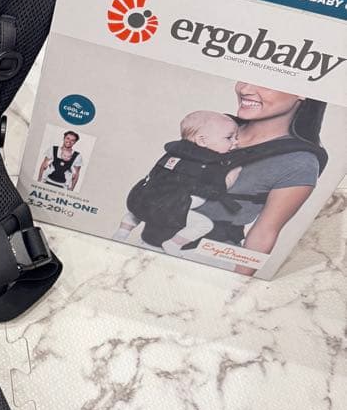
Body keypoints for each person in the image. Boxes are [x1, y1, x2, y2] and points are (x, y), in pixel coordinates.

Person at [180, 84, 327, 276]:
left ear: (303, 92)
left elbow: (265, 232)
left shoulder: (299, 161)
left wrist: (236, 283)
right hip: (150, 238)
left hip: (205, 259)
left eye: (266, 84)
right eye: (246, 79)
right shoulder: (213, 126)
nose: (245, 89)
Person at [113, 110, 239, 248]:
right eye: (229, 138)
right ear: (202, 140)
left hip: (142, 200)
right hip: (173, 208)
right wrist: (233, 173)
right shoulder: (209, 162)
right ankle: (173, 244)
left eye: (236, 137)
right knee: (204, 224)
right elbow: (216, 190)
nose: (236, 142)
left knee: (137, 212)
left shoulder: (174, 152)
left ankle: (122, 231)